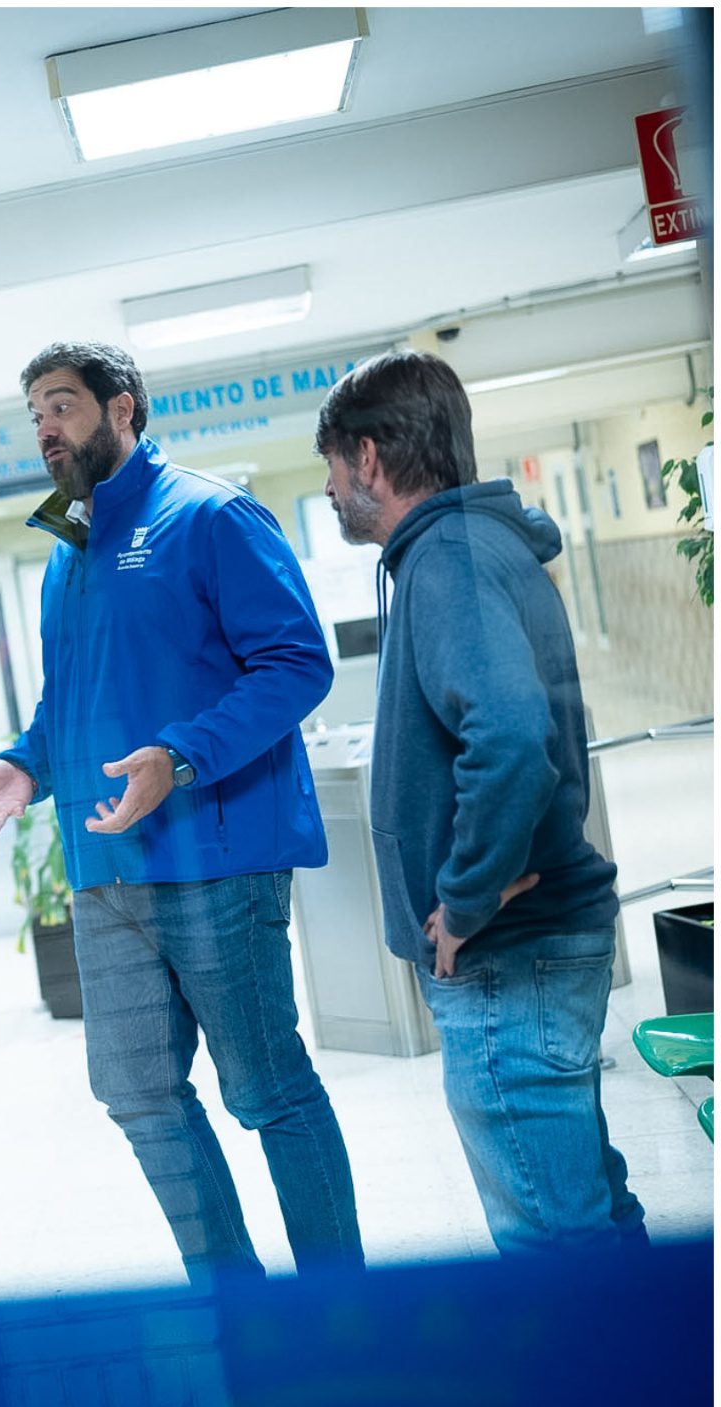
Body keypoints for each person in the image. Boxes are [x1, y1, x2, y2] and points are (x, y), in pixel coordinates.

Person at [0, 341, 363, 1284]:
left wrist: (180, 756)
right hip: (106, 875)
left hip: (216, 858)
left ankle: (340, 1309)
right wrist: (25, 765)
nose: (45, 429)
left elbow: (298, 664)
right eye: (35, 415)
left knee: (265, 1090)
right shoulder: (69, 548)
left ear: (122, 408)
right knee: (136, 1092)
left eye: (61, 405)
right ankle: (239, 1306)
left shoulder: (211, 516)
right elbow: (74, 701)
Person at [317, 351, 644, 1255]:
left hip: (509, 954)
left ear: (370, 458)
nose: (335, 489)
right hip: (531, 949)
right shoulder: (472, 549)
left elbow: (505, 736)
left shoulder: (448, 562)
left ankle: (606, 1398)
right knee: (586, 1206)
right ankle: (665, 1387)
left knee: (552, 1238)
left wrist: (465, 899)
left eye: (334, 469)